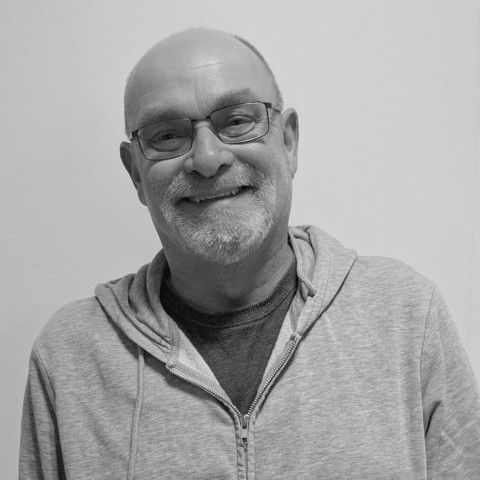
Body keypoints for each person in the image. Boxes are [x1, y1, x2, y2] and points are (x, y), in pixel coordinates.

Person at [19, 28, 480, 480]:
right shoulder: (69, 358)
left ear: (289, 141)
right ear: (136, 173)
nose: (207, 158)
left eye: (237, 122)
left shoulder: (405, 316)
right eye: (167, 135)